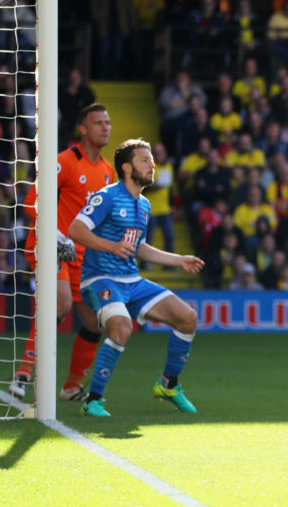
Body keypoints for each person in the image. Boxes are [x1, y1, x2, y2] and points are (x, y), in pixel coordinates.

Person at [69, 139, 205, 417]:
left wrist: (179, 259)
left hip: (131, 280)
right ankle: (93, 400)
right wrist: (111, 247)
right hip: (100, 279)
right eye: (145, 160)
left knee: (188, 318)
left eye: (152, 159)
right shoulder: (107, 196)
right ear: (127, 167)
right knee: (121, 328)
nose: (152, 164)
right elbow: (76, 229)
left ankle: (168, 385)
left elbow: (138, 247)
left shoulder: (144, 204)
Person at [10, 103, 116, 402]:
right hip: (51, 245)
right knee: (61, 302)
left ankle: (71, 386)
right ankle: (23, 372)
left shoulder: (108, 171)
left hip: (83, 254)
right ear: (83, 129)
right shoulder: (64, 161)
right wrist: (54, 233)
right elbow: (31, 201)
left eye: (108, 122)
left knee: (95, 322)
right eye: (98, 123)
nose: (105, 127)